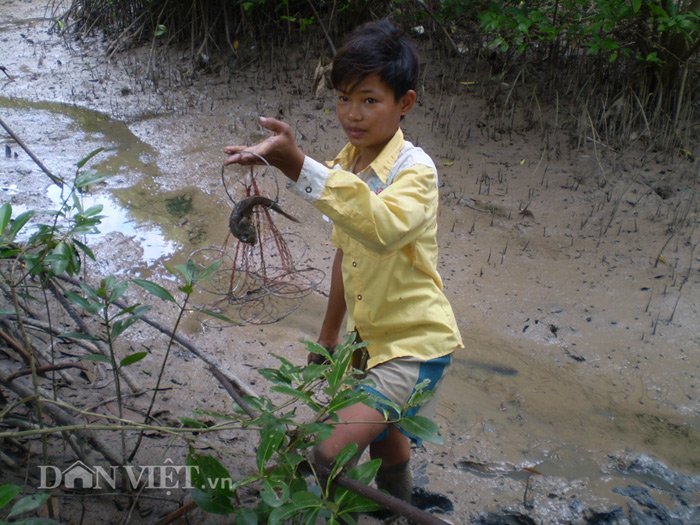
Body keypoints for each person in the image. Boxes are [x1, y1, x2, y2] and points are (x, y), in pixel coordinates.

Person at [224, 18, 463, 513]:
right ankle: (401, 513)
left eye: (370, 100)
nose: (353, 114)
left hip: (414, 346)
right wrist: (329, 336)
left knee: (328, 450)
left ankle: (333, 515)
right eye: (343, 98)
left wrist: (297, 165)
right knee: (387, 438)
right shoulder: (350, 160)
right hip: (365, 341)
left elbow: (380, 225)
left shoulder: (415, 172)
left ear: (406, 103)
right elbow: (345, 253)